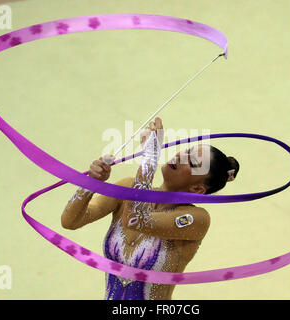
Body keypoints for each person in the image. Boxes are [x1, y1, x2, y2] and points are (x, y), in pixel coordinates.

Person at [61, 117, 239, 300]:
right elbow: (70, 221)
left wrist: (150, 159)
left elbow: (135, 220)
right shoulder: (128, 187)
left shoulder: (195, 218)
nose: (179, 156)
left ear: (197, 189)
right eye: (186, 151)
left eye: (192, 162)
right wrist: (90, 183)